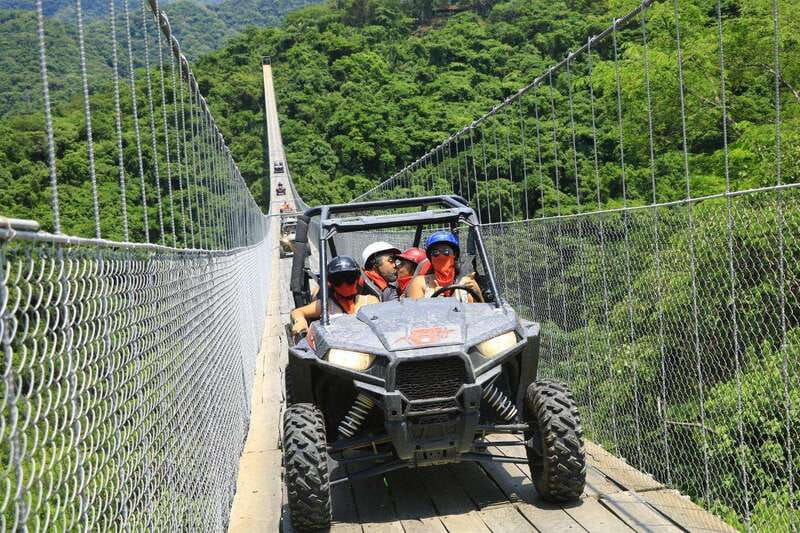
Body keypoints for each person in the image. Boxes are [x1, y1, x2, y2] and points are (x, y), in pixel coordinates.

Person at [290, 256, 377, 337]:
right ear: (330, 283)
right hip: (338, 349)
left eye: (349, 278)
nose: (344, 284)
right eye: (337, 280)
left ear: (358, 280)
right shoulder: (326, 305)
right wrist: (300, 321)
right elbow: (297, 312)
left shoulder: (370, 301)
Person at [406, 231, 483, 302]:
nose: (441, 256)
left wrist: (477, 292)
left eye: (446, 251)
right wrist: (432, 302)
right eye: (435, 253)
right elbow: (413, 314)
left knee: (467, 295)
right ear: (430, 258)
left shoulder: (467, 282)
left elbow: (482, 312)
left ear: (454, 255)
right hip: (430, 316)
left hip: (464, 316)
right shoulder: (420, 282)